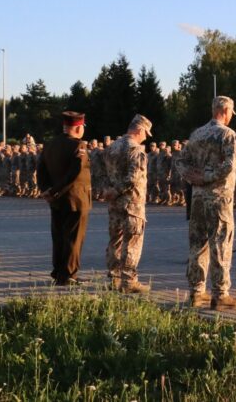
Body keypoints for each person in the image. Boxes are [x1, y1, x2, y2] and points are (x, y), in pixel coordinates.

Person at [177, 96, 236, 311]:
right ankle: (220, 295)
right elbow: (230, 164)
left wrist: (192, 177)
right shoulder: (227, 134)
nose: (231, 118)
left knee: (197, 244)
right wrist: (208, 176)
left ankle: (196, 293)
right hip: (218, 197)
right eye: (231, 113)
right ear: (225, 110)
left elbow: (180, 161)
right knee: (220, 243)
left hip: (197, 198)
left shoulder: (196, 134)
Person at [36, 111, 93, 286]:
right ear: (77, 128)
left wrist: (46, 190)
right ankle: (69, 274)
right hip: (75, 199)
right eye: (82, 127)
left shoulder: (50, 144)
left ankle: (58, 272)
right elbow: (74, 173)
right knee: (73, 238)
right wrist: (55, 190)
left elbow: (41, 169)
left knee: (59, 236)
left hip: (56, 200)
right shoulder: (78, 146)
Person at [104, 114, 152, 293]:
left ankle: (113, 278)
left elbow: (100, 172)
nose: (146, 137)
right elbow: (133, 177)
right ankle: (128, 281)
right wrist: (117, 190)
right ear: (139, 129)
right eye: (145, 133)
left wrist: (108, 190)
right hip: (132, 204)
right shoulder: (136, 150)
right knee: (132, 242)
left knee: (115, 241)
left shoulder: (111, 148)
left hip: (114, 204)